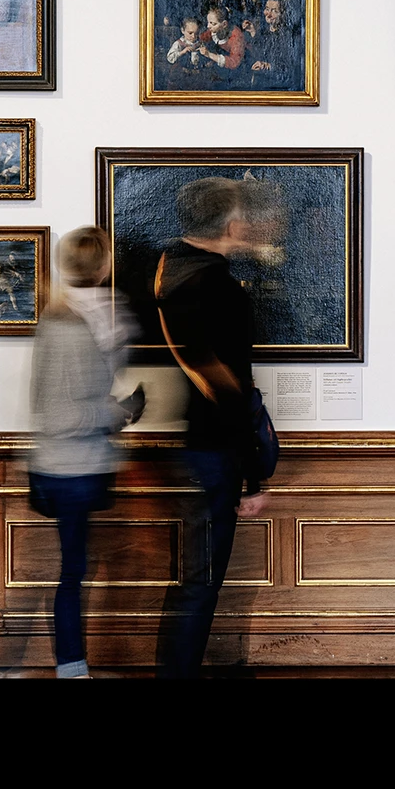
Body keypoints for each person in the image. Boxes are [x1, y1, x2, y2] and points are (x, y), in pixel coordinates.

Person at [153, 178, 270, 677]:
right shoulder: (221, 289)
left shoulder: (166, 270)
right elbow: (232, 390)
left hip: (193, 446)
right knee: (201, 582)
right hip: (218, 455)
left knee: (192, 580)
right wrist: (254, 478)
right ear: (230, 223)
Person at [28, 227, 145, 679]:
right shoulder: (87, 323)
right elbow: (58, 414)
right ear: (102, 265)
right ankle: (72, 670)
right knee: (74, 572)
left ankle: (72, 667)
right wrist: (117, 411)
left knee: (76, 569)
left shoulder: (59, 316)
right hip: (72, 469)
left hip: (61, 467)